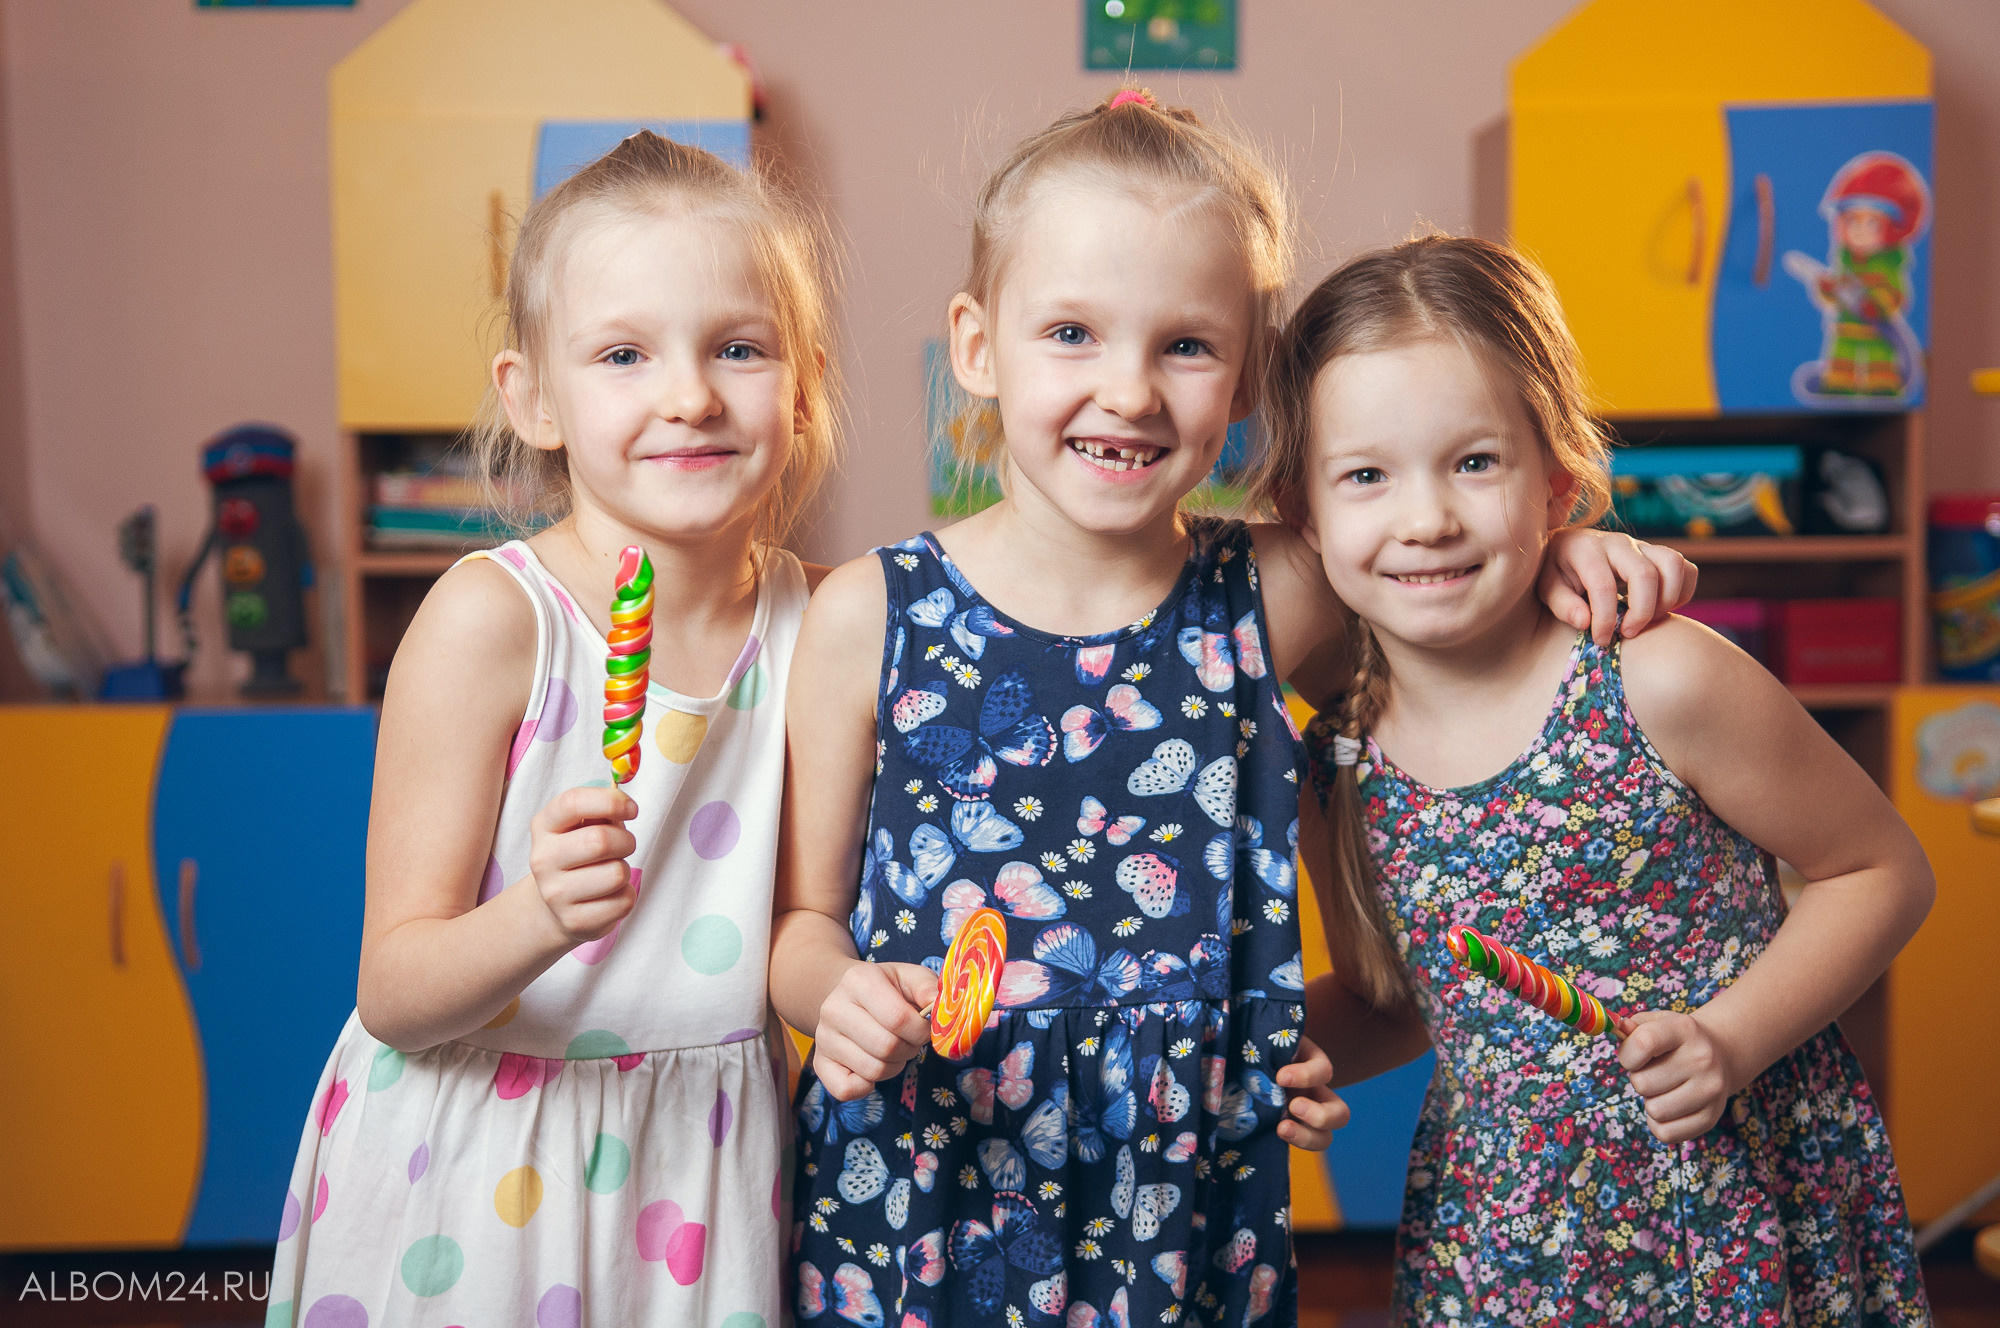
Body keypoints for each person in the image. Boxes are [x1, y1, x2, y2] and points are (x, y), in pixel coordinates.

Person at [770, 93, 1693, 1328]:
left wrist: (1560, 546)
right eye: (1071, 333)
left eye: (1185, 346)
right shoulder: (869, 612)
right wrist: (832, 997)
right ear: (977, 346)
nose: (1129, 391)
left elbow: (1434, 567)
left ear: (1249, 373)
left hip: (1180, 1206)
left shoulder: (1275, 590)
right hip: (921, 1189)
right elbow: (798, 922)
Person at [1265, 234, 1934, 1325]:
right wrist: (1269, 1054)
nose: (1426, 517)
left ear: (1558, 482)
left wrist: (1729, 1038)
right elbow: (1401, 998)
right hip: (1502, 1233)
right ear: (1304, 512)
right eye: (1366, 475)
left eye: (1474, 462)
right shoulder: (1335, 754)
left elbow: (1881, 871)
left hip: (1722, 1202)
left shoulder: (1656, 677)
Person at [268, 131, 836, 1328]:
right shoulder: (491, 621)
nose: (689, 395)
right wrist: (536, 914)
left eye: (737, 348)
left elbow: (809, 916)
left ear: (801, 385)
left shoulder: (826, 623)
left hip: (704, 1170)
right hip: (478, 1169)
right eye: (624, 353)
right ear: (532, 397)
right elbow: (394, 987)